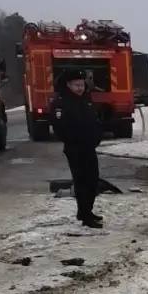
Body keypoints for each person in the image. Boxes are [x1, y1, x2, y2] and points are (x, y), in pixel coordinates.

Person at [53, 71, 105, 228]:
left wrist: (96, 137)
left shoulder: (85, 100)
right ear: (68, 85)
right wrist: (76, 141)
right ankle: (85, 215)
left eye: (82, 85)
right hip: (75, 149)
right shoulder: (61, 103)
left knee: (93, 179)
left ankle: (86, 211)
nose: (80, 88)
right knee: (82, 182)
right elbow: (60, 128)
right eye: (76, 85)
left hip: (89, 147)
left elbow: (94, 122)